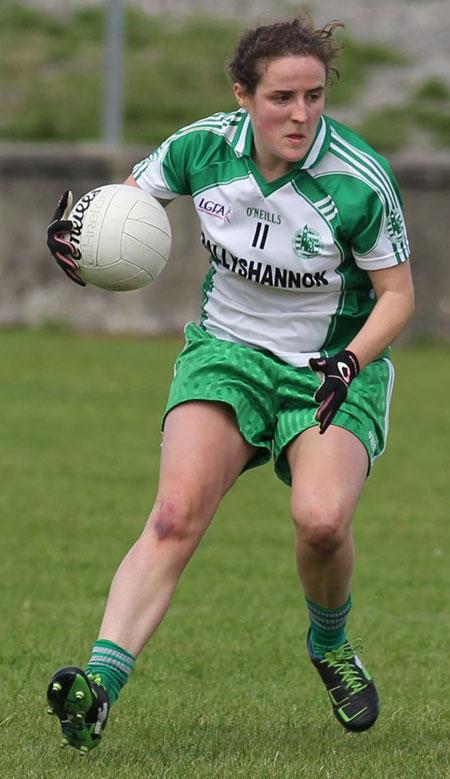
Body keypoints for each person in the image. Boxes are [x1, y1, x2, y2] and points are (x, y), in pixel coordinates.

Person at [45, 13, 414, 755]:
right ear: (242, 95)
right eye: (282, 97)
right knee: (175, 513)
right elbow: (127, 206)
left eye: (314, 96)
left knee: (321, 521)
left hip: (332, 365)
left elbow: (398, 293)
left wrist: (351, 362)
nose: (302, 114)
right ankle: (98, 688)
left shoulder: (357, 178)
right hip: (228, 354)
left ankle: (330, 645)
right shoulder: (201, 147)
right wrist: (84, 241)